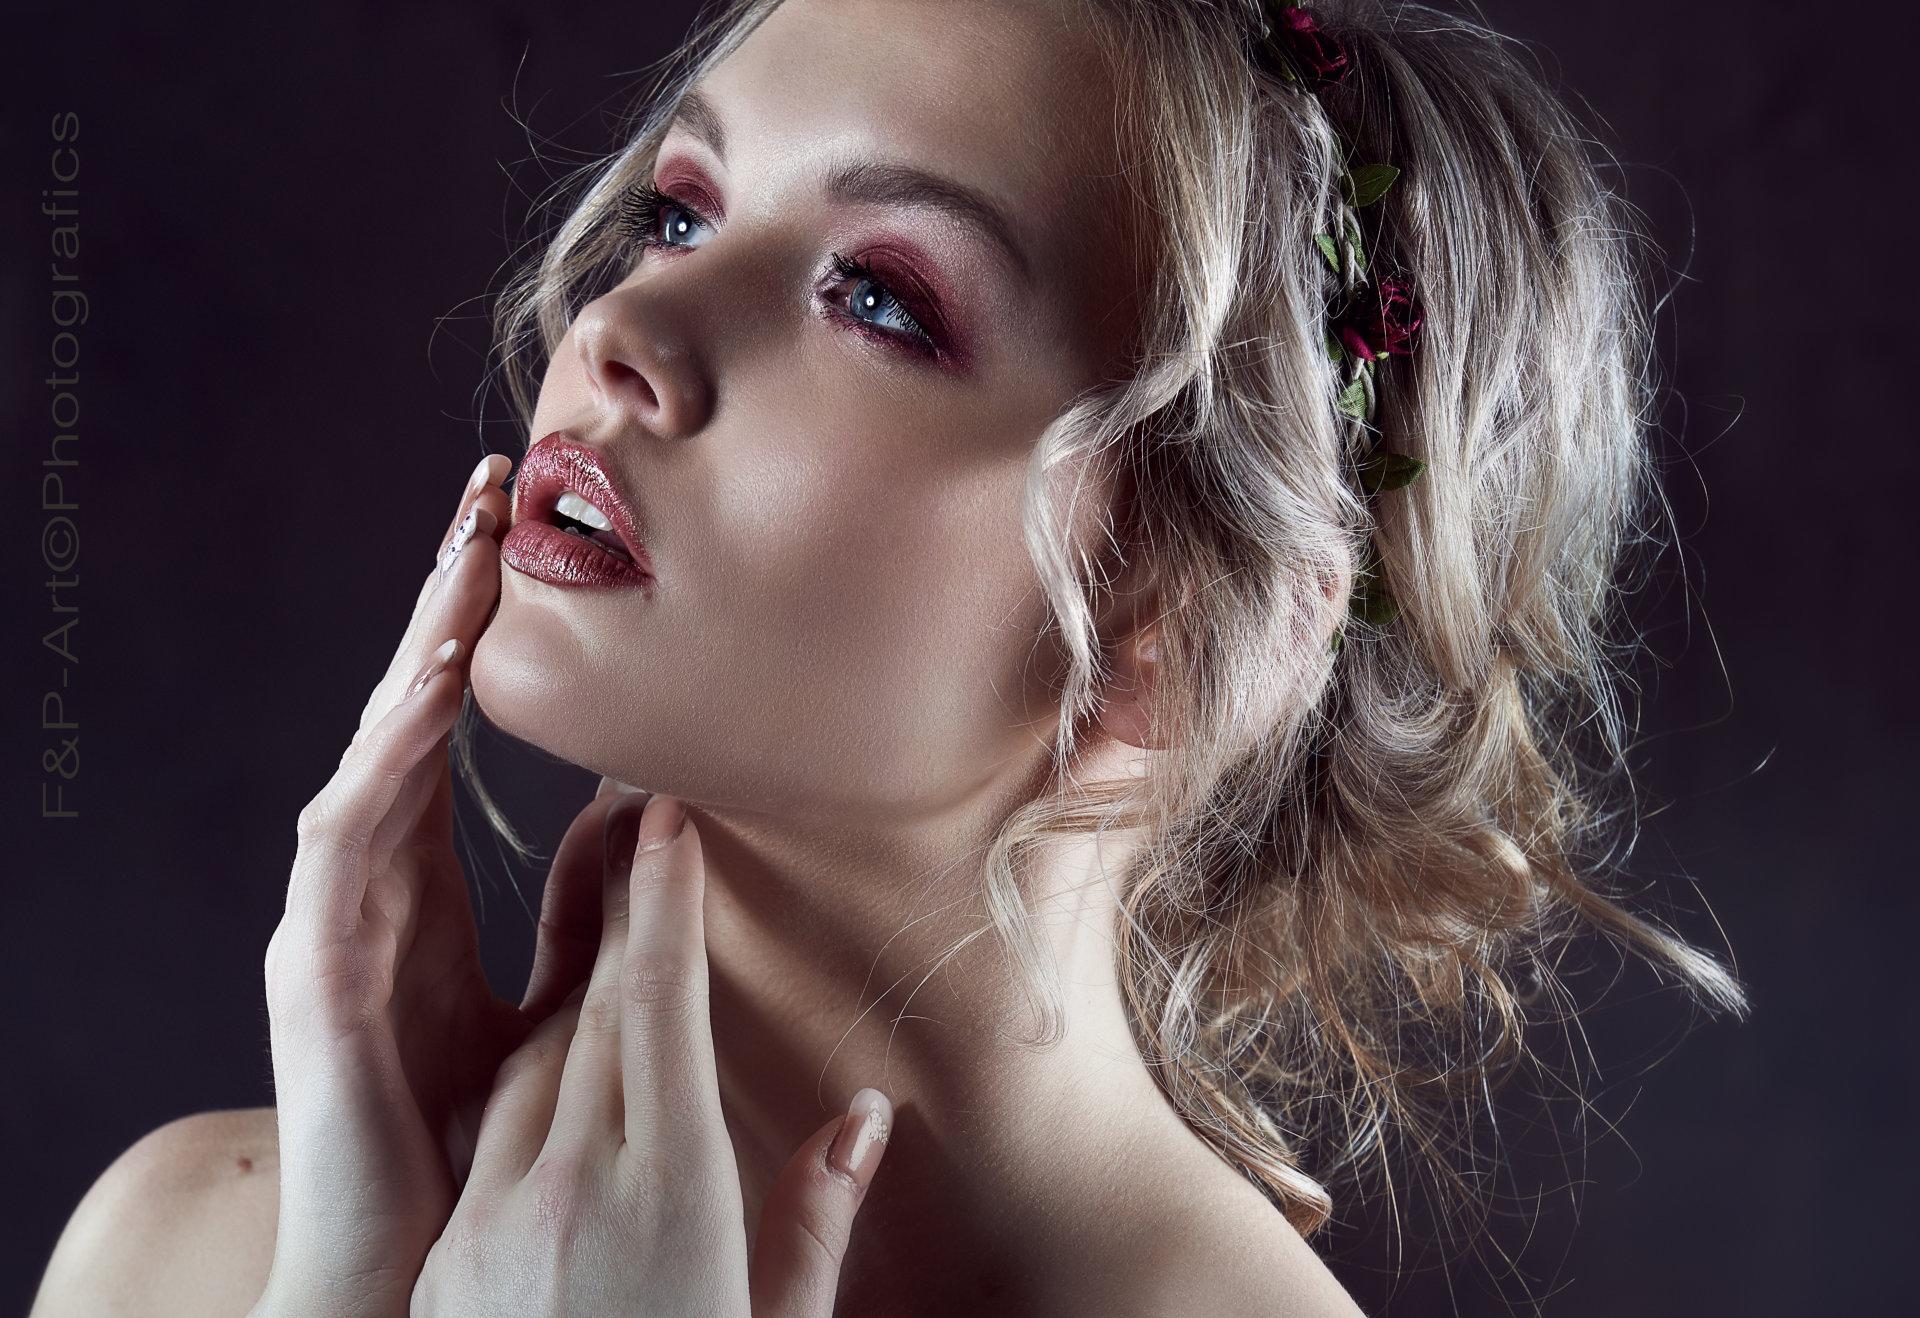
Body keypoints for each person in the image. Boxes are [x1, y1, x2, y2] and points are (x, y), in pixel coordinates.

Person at [31, 0, 1749, 1313]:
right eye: (683, 212)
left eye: (877, 298)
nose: (624, 330)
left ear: (1176, 626)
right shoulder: (186, 1252)